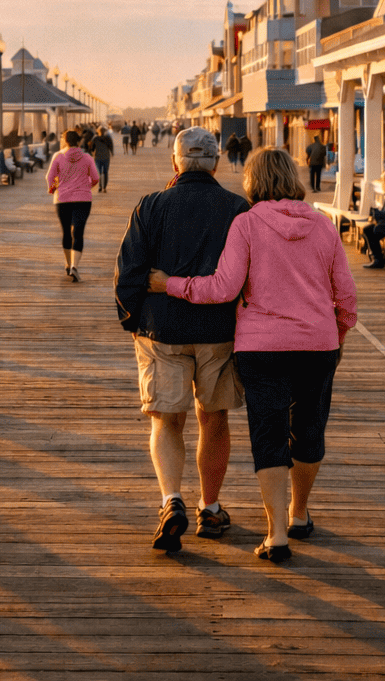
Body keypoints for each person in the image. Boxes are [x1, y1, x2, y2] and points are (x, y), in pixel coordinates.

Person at [150, 147, 355, 563]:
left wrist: (170, 284)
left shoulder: (246, 224)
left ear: (252, 181)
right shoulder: (323, 226)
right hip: (318, 345)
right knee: (309, 433)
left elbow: (222, 289)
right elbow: (346, 298)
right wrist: (337, 338)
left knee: (269, 436)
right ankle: (299, 514)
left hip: (261, 348)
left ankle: (276, 534)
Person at [114, 127, 250, 553]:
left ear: (175, 163)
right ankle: (210, 508)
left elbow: (127, 273)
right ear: (217, 163)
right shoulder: (237, 209)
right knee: (214, 418)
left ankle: (171, 501)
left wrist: (134, 321)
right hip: (219, 331)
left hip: (163, 329)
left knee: (167, 420)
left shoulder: (150, 206)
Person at [46, 129, 101, 282]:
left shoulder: (58, 156)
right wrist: (86, 187)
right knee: (78, 232)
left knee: (66, 232)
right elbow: (96, 178)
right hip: (83, 200)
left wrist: (52, 189)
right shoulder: (87, 157)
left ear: (65, 141)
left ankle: (67, 263)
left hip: (62, 199)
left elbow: (50, 177)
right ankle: (74, 266)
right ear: (78, 141)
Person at [92, 124, 115, 194]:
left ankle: (100, 186)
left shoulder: (95, 139)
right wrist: (112, 152)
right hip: (106, 157)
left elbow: (92, 148)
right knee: (105, 172)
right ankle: (104, 187)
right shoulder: (107, 138)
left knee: (99, 173)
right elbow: (111, 146)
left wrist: (92, 152)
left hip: (98, 158)